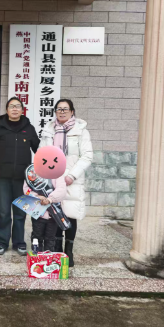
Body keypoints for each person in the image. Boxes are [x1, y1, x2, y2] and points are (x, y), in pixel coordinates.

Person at [39, 99, 93, 267]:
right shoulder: (49, 130)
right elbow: (42, 153)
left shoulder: (81, 131)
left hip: (71, 180)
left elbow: (87, 156)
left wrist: (72, 176)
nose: (62, 112)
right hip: (52, 178)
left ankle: (68, 250)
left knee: (70, 213)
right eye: (59, 109)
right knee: (54, 213)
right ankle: (56, 248)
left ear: (72, 112)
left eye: (65, 109)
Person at [0, 97, 40, 256]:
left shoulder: (29, 128)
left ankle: (19, 242)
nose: (14, 109)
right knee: (3, 212)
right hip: (2, 177)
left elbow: (39, 150)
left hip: (22, 179)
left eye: (17, 106)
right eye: (11, 106)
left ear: (22, 110)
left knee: (20, 212)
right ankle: (1, 242)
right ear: (6, 110)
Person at [25, 173, 67, 252]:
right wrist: (37, 197)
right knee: (37, 237)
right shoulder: (33, 172)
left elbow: (62, 190)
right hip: (38, 213)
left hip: (53, 214)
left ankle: (48, 257)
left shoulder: (57, 174)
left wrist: (50, 199)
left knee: (50, 239)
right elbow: (27, 190)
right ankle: (37, 256)